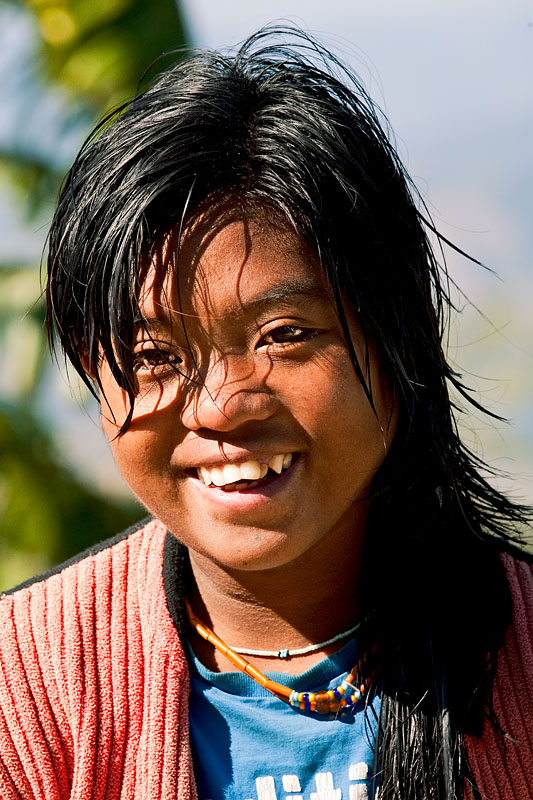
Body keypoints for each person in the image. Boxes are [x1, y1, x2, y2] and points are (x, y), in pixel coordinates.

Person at [0, 26, 531, 800]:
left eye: (283, 335)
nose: (222, 406)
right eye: (153, 357)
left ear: (398, 338)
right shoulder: (28, 691)